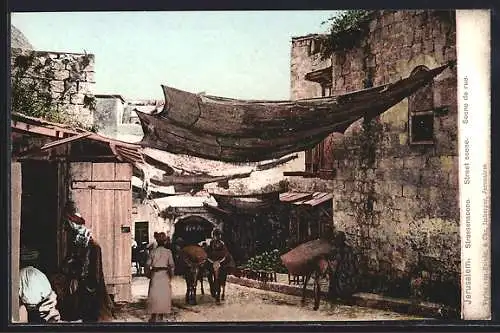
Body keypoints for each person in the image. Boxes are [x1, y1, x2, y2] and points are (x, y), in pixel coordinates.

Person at [59, 201, 114, 322]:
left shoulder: (88, 242)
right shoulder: (76, 237)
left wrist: (75, 272)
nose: (65, 227)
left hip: (87, 280)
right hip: (79, 277)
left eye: (67, 223)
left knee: (88, 307)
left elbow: (87, 265)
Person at [145, 232, 175, 322]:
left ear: (157, 241)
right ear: (165, 242)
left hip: (155, 274)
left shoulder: (153, 252)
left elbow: (147, 265)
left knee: (154, 295)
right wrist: (171, 276)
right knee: (163, 295)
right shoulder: (168, 252)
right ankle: (161, 317)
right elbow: (172, 265)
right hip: (164, 275)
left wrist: (148, 274)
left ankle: (153, 317)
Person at [327, 231, 360, 300]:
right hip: (342, 274)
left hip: (347, 276)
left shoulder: (348, 250)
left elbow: (352, 267)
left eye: (338, 239)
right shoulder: (337, 250)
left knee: (339, 280)